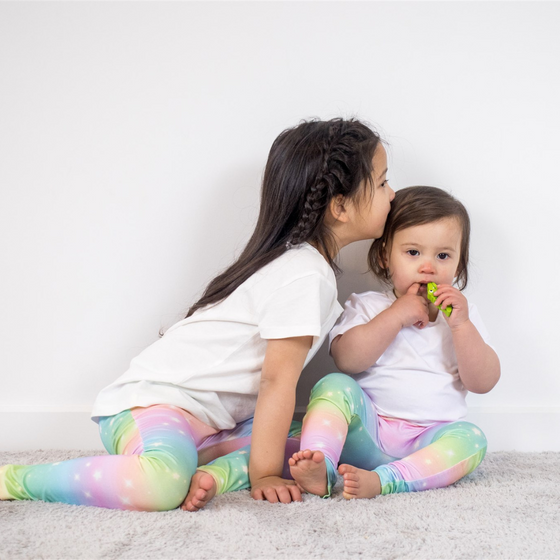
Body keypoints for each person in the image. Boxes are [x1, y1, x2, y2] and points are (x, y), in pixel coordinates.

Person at [0, 118, 395, 512]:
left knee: (310, 445)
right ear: (340, 206)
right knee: (162, 484)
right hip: (155, 405)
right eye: (381, 183)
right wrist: (265, 476)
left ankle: (211, 472)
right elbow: (277, 381)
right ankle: (15, 480)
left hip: (211, 426)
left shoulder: (304, 268)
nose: (391, 194)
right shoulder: (304, 274)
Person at [287, 185, 500, 499]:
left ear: (458, 264)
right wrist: (395, 316)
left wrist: (462, 327)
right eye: (413, 253)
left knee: (472, 439)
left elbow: (483, 382)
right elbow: (347, 360)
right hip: (367, 433)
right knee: (333, 384)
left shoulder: (462, 318)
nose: (428, 266)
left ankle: (387, 480)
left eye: (443, 255)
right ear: (386, 256)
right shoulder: (369, 305)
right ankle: (321, 462)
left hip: (428, 442)